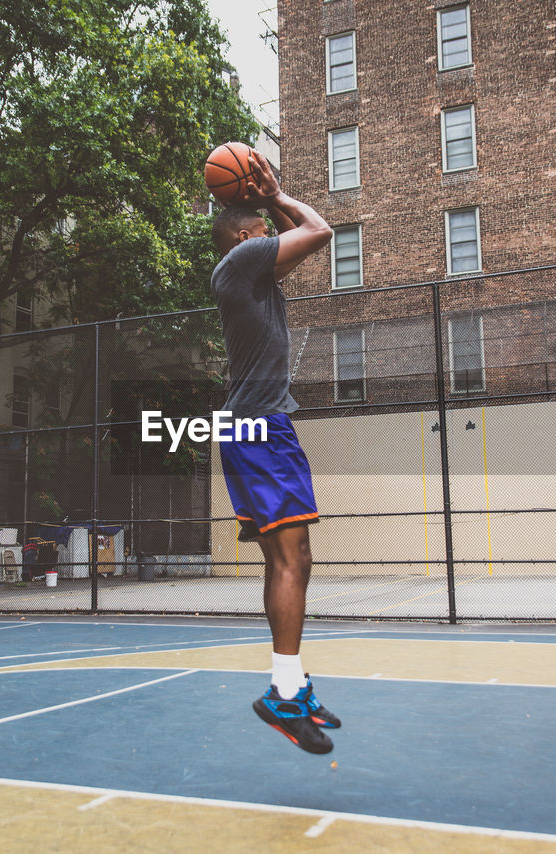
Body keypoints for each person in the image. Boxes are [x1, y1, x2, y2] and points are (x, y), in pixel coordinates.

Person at [210, 150, 340, 754]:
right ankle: (284, 696)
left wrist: (271, 203)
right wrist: (273, 197)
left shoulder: (248, 272)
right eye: (264, 230)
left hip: (251, 427)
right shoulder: (243, 257)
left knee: (290, 557)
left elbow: (301, 237)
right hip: (261, 426)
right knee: (292, 560)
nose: (272, 238)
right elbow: (318, 231)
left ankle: (290, 682)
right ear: (244, 235)